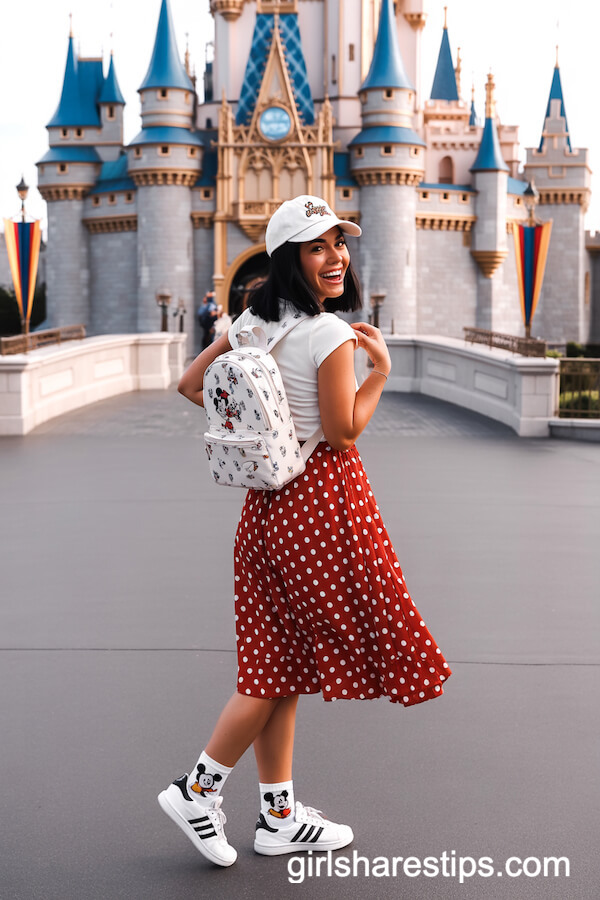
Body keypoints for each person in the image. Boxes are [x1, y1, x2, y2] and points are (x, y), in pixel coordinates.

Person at [161, 195, 451, 867]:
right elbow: (344, 432)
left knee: (277, 665)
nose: (336, 256)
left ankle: (278, 817)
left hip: (264, 510)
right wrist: (380, 373)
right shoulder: (328, 336)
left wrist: (262, 426)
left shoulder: (250, 323)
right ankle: (196, 790)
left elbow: (191, 384)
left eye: (339, 243)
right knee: (276, 671)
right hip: (319, 505)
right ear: (290, 258)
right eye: (317, 246)